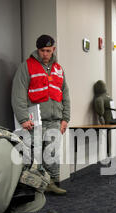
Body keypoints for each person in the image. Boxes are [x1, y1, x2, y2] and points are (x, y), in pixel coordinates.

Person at [12, 34, 71, 195]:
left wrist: (65, 118)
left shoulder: (58, 69)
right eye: (42, 50)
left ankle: (51, 183)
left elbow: (64, 94)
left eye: (48, 50)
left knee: (51, 154)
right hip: (35, 121)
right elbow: (18, 94)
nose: (45, 54)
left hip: (55, 120)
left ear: (54, 49)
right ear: (37, 50)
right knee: (33, 155)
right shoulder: (27, 66)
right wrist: (23, 118)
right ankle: (34, 187)